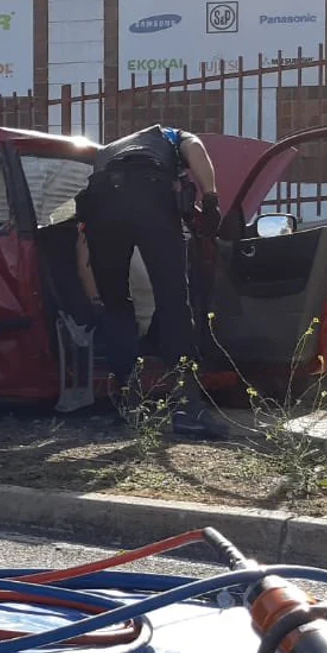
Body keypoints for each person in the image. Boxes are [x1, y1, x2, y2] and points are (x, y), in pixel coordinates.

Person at [76, 123, 228, 440]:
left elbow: (83, 241)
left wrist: (94, 295)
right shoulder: (170, 135)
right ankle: (188, 408)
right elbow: (196, 148)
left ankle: (130, 404)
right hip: (148, 190)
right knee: (173, 299)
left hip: (100, 202)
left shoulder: (108, 152)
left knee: (116, 304)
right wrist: (211, 197)